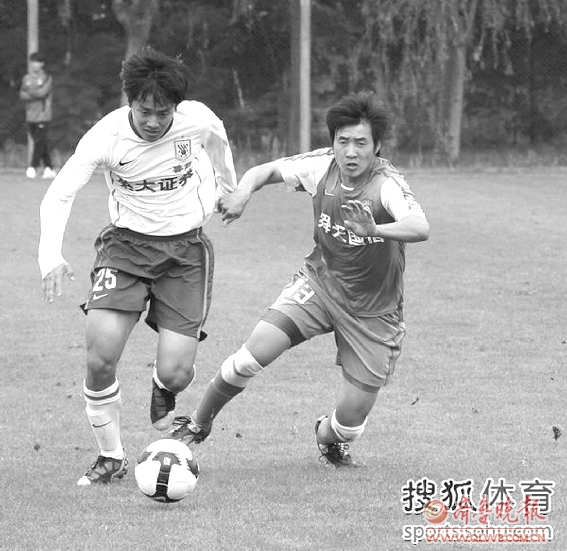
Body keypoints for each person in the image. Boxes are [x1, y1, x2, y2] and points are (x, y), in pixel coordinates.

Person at [170, 92, 430, 467]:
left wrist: (375, 229)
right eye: (343, 141)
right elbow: (264, 171)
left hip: (373, 311)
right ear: (333, 142)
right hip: (320, 285)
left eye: (361, 143)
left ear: (377, 147)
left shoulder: (387, 184)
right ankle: (197, 424)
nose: (351, 152)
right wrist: (242, 193)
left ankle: (327, 436)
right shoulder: (322, 167)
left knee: (349, 422)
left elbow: (420, 226)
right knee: (249, 357)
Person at [38, 47, 237, 485]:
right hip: (125, 249)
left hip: (184, 253)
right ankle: (111, 456)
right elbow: (61, 193)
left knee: (176, 372)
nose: (152, 121)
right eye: (144, 111)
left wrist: (230, 188)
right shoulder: (105, 137)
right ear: (130, 102)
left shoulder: (196, 120)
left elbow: (219, 137)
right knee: (100, 357)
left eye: (162, 113)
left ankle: (163, 387)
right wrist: (50, 255)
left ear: (176, 107)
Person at [19, 52, 56, 179]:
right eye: (33, 62)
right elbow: (22, 94)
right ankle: (49, 168)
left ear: (42, 64)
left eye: (38, 62)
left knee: (39, 142)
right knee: (41, 142)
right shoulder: (26, 78)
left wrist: (30, 91)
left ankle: (32, 167)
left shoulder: (47, 78)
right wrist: (34, 92)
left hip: (43, 116)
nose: (35, 64)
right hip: (30, 116)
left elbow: (42, 93)